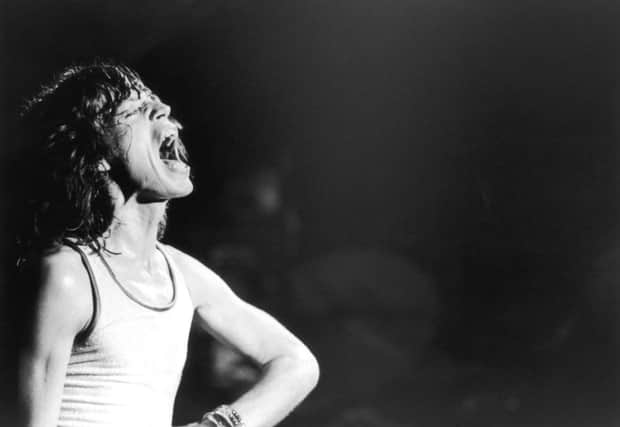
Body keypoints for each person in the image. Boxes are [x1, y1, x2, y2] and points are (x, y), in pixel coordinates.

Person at [15, 61, 319, 427]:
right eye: (134, 110)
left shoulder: (182, 275)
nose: (163, 110)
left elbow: (295, 363)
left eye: (155, 101)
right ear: (96, 157)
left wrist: (219, 425)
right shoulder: (68, 275)